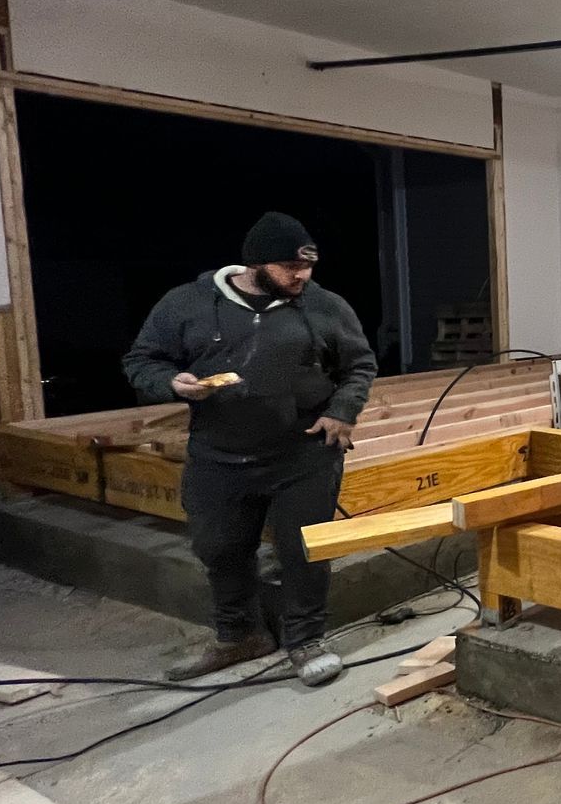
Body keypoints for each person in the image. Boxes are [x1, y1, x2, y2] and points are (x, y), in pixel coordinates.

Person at [123, 212, 377, 686]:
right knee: (219, 548)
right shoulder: (187, 303)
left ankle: (305, 640)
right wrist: (171, 384)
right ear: (255, 264)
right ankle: (240, 635)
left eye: (308, 267)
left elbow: (360, 364)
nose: (301, 277)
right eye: (289, 268)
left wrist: (343, 410)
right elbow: (142, 360)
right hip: (219, 454)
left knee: (303, 551)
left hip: (303, 454)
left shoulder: (326, 306)